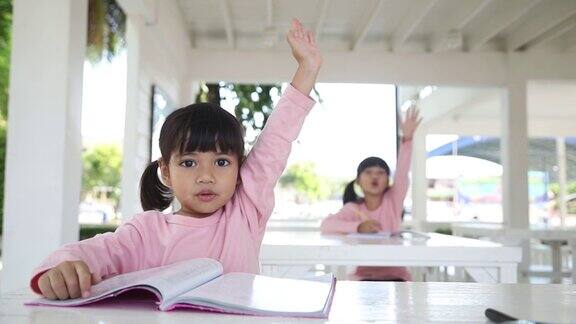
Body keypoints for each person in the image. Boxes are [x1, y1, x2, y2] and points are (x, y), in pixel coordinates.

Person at [31, 19, 322, 300]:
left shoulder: (245, 210)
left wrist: (307, 67)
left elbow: (276, 138)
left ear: (240, 169)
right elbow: (95, 252)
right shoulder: (147, 232)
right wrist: (61, 268)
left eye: (221, 162)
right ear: (166, 172)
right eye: (189, 162)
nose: (205, 176)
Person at [320, 106, 421, 281]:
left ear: (388, 180)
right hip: (363, 276)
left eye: (381, 173)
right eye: (368, 172)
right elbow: (326, 225)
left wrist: (407, 139)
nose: (375, 176)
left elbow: (402, 172)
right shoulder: (353, 208)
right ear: (358, 180)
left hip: (397, 276)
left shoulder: (393, 200)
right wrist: (358, 227)